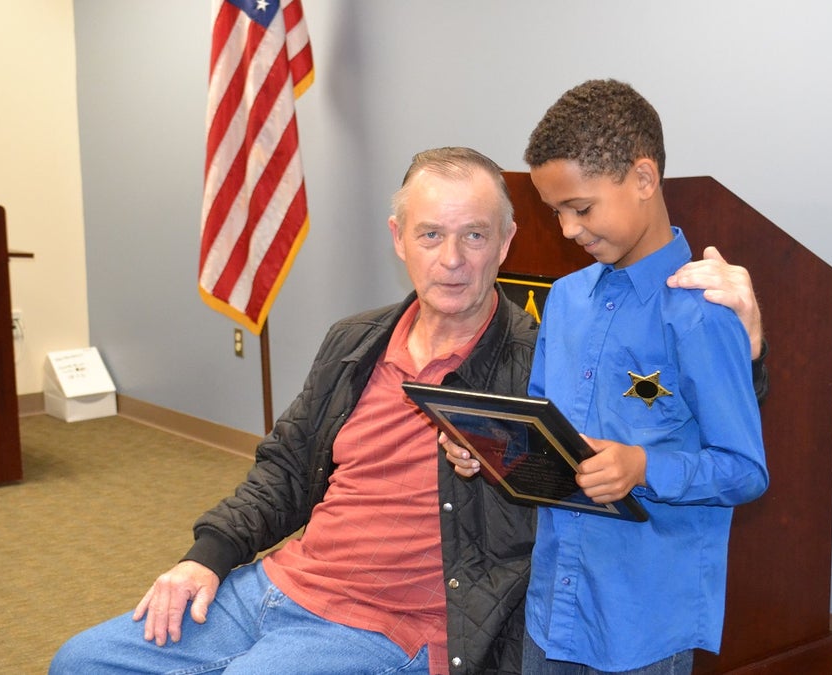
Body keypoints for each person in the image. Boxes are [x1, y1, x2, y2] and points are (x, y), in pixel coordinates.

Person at [51, 146, 765, 675]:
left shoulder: (543, 356)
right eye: (431, 235)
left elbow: (664, 417)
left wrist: (748, 347)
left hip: (389, 626)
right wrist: (204, 560)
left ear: (505, 244)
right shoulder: (354, 342)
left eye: (475, 235)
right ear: (400, 241)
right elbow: (285, 471)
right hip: (274, 586)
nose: (452, 259)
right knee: (79, 661)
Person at [446, 80, 768, 674]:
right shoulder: (566, 299)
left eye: (581, 208)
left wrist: (642, 467)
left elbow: (745, 470)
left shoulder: (701, 312)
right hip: (555, 603)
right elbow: (549, 431)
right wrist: (489, 447)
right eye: (556, 212)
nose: (568, 230)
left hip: (644, 616)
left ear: (644, 180)